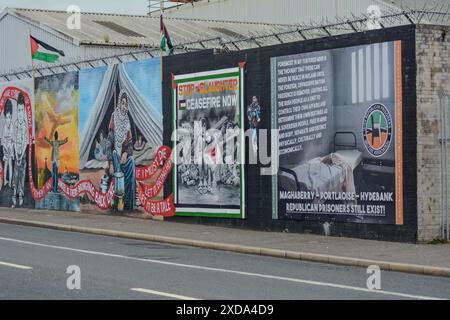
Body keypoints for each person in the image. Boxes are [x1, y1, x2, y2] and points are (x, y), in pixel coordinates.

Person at [107, 90, 136, 210]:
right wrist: (110, 164)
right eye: (122, 103)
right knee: (114, 154)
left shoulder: (127, 121)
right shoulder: (114, 117)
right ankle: (118, 203)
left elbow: (130, 145)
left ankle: (129, 204)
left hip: (123, 158)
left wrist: (125, 153)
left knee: (132, 163)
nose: (124, 107)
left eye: (126, 104)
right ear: (119, 103)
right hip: (115, 158)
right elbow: (109, 143)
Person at [12, 94, 29, 207]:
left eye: (22, 110)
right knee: (15, 174)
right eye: (18, 110)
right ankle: (14, 194)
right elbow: (13, 140)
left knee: (22, 175)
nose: (20, 113)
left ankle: (20, 194)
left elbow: (24, 142)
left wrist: (20, 155)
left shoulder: (25, 126)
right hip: (15, 152)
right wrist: (15, 154)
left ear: (24, 111)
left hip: (22, 154)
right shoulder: (15, 124)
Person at [2, 99, 14, 189]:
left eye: (9, 117)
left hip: (11, 147)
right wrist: (5, 147)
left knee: (10, 163)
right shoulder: (4, 127)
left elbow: (13, 139)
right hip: (6, 147)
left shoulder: (12, 126)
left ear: (11, 117)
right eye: (6, 117)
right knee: (5, 164)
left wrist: (10, 147)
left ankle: (10, 181)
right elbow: (2, 139)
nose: (8, 120)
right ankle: (5, 181)